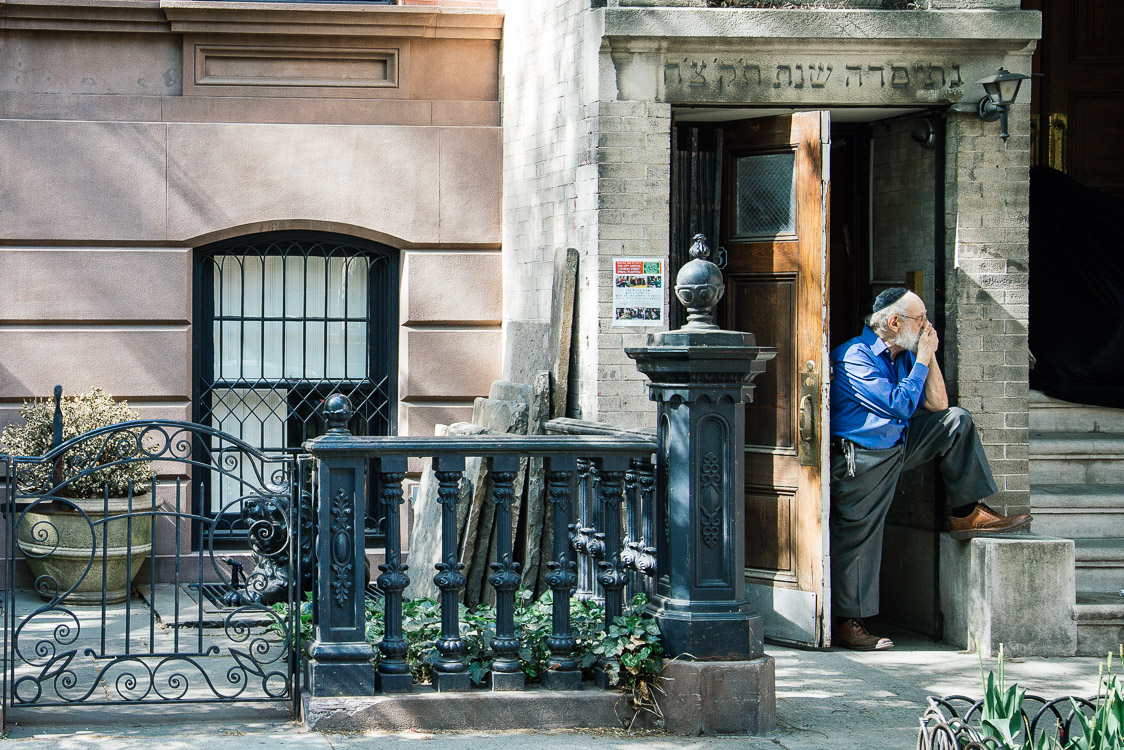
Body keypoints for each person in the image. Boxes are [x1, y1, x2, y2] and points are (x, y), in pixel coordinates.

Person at [828, 287, 1031, 651]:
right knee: (859, 535)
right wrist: (922, 356)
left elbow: (938, 404)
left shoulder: (903, 354)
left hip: (899, 445)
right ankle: (847, 622)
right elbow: (900, 404)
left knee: (956, 421)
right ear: (893, 322)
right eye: (919, 319)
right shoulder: (853, 356)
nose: (926, 326)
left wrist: (928, 355)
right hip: (864, 456)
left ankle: (966, 513)